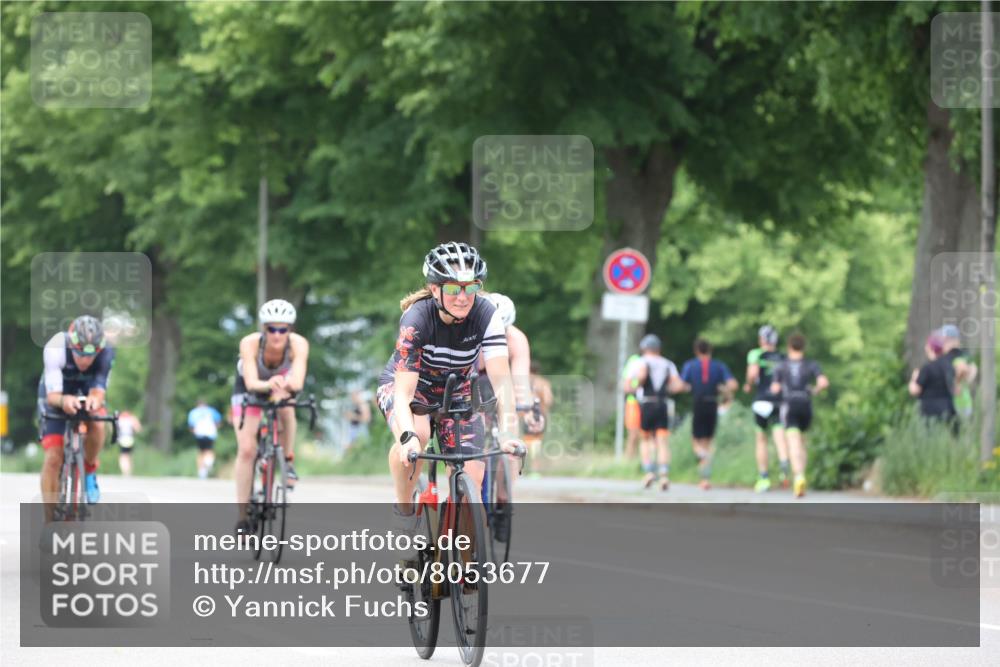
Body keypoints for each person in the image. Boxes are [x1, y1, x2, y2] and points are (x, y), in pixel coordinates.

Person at [376, 242, 522, 560]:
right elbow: (403, 393)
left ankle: (463, 562)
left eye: (471, 287)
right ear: (434, 289)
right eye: (454, 288)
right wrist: (407, 438)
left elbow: (502, 383)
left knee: (474, 472)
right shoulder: (417, 318)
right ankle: (404, 512)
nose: (463, 297)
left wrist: (509, 431)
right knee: (418, 437)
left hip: (455, 391)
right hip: (411, 389)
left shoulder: (487, 315)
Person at [231, 299, 310, 534]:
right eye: (272, 329)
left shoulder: (298, 344)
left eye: (282, 330)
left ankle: (287, 460)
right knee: (247, 450)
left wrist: (283, 386)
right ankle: (242, 517)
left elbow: (298, 381)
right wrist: (270, 384)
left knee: (287, 406)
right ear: (264, 329)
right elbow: (251, 382)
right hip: (250, 389)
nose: (277, 335)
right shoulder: (250, 343)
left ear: (289, 330)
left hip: (280, 387)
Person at [37, 315, 115, 519]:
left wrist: (94, 402)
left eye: (91, 355)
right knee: (53, 458)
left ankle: (89, 470)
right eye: (79, 353)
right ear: (71, 344)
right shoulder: (56, 347)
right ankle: (49, 519)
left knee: (98, 422)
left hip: (86, 390)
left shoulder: (106, 352)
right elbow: (53, 396)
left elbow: (98, 390)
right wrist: (64, 401)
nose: (85, 360)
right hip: (57, 392)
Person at [770, 333, 829, 499]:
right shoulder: (811, 364)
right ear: (803, 347)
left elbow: (775, 388)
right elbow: (823, 382)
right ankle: (801, 475)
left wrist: (778, 391)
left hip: (790, 405)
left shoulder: (781, 366)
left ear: (789, 346)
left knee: (793, 442)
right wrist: (815, 390)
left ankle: (799, 476)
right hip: (805, 405)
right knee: (802, 442)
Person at [626, 334, 687, 491]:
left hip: (646, 404)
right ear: (659, 349)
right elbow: (678, 385)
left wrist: (633, 388)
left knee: (645, 439)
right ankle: (664, 474)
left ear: (644, 348)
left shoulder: (640, 362)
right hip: (662, 404)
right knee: (662, 441)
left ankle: (649, 472)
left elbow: (630, 382)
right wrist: (667, 390)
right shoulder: (668, 364)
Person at [680, 339, 737, 490]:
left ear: (696, 350)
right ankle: (705, 478)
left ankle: (702, 457)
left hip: (698, 403)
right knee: (708, 441)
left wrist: (689, 387)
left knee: (696, 440)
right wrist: (724, 391)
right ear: (710, 350)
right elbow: (733, 384)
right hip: (712, 404)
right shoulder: (719, 366)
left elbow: (681, 385)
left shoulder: (690, 365)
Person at [744, 325, 790, 492]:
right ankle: (784, 466)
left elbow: (752, 374)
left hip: (762, 401)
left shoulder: (756, 354)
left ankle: (763, 477)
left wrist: (748, 385)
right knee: (779, 436)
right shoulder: (783, 357)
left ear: (762, 339)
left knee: (761, 438)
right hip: (779, 401)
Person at [908, 333, 957, 430]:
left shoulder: (927, 368)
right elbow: (954, 388)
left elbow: (915, 390)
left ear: (930, 348)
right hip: (948, 408)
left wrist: (914, 378)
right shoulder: (949, 366)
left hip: (930, 411)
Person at [938, 324, 977, 421]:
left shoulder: (959, 355)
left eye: (944, 339)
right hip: (958, 403)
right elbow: (973, 370)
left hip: (958, 404)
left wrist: (958, 382)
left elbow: (969, 370)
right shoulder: (962, 355)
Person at [188, 399, 223, 479]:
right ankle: (209, 462)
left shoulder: (194, 412)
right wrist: (215, 428)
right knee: (209, 450)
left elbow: (191, 425)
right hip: (210, 433)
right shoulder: (212, 411)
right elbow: (218, 421)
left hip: (199, 434)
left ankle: (201, 471)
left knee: (201, 452)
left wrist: (194, 432)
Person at [621, 352, 643, 459]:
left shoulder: (652, 361)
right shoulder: (634, 360)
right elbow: (625, 385)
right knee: (633, 434)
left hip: (646, 402)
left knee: (644, 435)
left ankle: (641, 460)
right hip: (633, 401)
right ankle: (628, 460)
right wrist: (635, 390)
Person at [116, 410, 142, 476]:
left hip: (122, 439)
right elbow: (138, 429)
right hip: (130, 439)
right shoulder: (132, 419)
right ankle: (128, 471)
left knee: (123, 456)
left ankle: (125, 471)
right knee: (128, 456)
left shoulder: (120, 420)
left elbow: (114, 429)